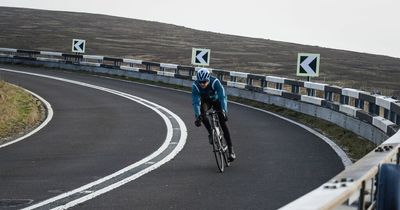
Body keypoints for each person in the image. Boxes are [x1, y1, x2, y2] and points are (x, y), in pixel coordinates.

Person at [192, 67, 236, 161]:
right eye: (200, 82)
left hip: (217, 101)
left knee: (223, 123)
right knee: (202, 114)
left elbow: (222, 97)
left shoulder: (215, 82)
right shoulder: (195, 86)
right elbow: (196, 102)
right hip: (206, 102)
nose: (202, 84)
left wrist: (224, 111)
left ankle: (231, 150)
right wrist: (198, 117)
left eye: (204, 81)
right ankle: (211, 134)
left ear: (208, 79)